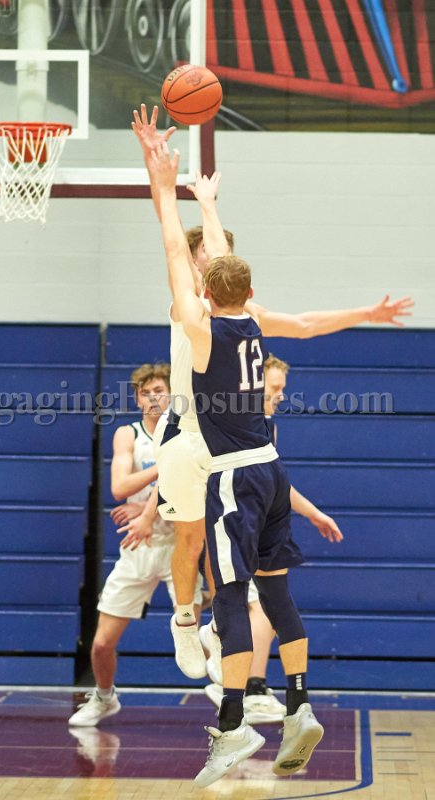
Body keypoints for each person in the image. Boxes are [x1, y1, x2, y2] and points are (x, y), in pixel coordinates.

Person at [131, 104, 414, 684]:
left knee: (226, 545)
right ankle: (183, 619)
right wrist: (191, 199)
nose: (209, 257)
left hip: (231, 442)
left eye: (214, 256)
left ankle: (219, 626)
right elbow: (176, 248)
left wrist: (365, 311)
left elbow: (304, 323)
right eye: (205, 254)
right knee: (190, 536)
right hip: (187, 430)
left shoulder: (241, 313)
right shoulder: (189, 310)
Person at [147, 140, 327, 785]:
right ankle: (295, 701)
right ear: (247, 291)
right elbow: (212, 260)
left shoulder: (205, 322)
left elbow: (179, 251)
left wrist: (165, 187)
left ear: (209, 286)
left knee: (231, 589)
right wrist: (208, 204)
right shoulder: (243, 320)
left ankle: (236, 716)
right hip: (259, 459)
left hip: (231, 463)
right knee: (263, 583)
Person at [202, 354, 344, 722]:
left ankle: (261, 698)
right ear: (252, 383)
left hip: (258, 518)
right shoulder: (223, 416)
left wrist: (313, 512)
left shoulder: (267, 426)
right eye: (275, 387)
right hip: (217, 516)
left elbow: (277, 483)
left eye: (283, 388)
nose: (281, 395)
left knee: (264, 601)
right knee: (238, 601)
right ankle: (235, 682)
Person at [68, 362, 202, 728]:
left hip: (178, 543)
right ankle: (104, 696)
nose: (153, 397)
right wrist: (165, 466)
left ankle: (235, 703)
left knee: (196, 637)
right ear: (137, 398)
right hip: (139, 544)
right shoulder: (128, 434)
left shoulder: (188, 431)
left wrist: (144, 509)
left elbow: (176, 486)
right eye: (146, 392)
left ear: (172, 394)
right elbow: (119, 488)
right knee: (101, 643)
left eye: (160, 390)